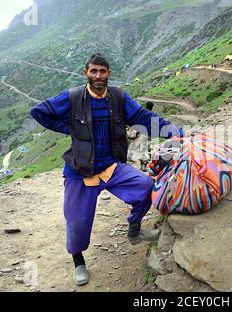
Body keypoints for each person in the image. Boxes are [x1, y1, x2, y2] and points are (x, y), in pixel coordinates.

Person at [30, 53, 185, 286]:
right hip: (80, 171)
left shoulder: (118, 97)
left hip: (111, 165)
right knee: (77, 221)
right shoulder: (72, 97)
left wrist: (174, 131)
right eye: (93, 71)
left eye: (102, 71)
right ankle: (78, 261)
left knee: (145, 187)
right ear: (86, 73)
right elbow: (40, 112)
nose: (98, 76)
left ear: (109, 74)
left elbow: (142, 116)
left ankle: (134, 230)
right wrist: (70, 128)